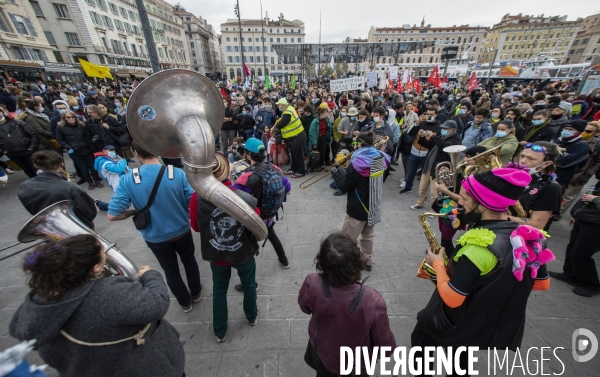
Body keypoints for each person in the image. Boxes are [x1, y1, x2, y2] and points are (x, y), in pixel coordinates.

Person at [412, 167, 551, 375]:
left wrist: (439, 264)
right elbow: (541, 283)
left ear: (484, 204)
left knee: (422, 356)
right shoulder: (529, 236)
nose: (460, 202)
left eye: (466, 198)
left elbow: (453, 299)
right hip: (482, 324)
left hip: (450, 323)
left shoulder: (476, 246)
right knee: (460, 363)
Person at [9, 235, 185, 377]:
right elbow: (157, 303)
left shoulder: (36, 301)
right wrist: (151, 275)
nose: (107, 253)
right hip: (139, 368)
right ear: (94, 268)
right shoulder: (107, 295)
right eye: (103, 251)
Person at [107, 140, 202, 313]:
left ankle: (185, 302)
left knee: (170, 270)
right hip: (182, 231)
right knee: (189, 261)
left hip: (155, 236)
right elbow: (192, 202)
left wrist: (133, 212)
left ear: (136, 153)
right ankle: (196, 292)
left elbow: (112, 214)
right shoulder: (177, 173)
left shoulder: (129, 179)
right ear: (157, 150)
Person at [298, 232, 396, 377]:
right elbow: (386, 346)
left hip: (321, 354)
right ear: (356, 262)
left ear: (322, 262)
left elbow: (305, 307)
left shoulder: (312, 282)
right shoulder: (373, 300)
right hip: (354, 365)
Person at [189, 153, 259, 342]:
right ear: (227, 171)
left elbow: (196, 227)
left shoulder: (197, 198)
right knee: (249, 284)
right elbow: (257, 224)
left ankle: (220, 332)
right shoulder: (244, 197)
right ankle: (251, 317)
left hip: (216, 253)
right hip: (243, 251)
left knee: (219, 290)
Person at [333, 131, 390, 271]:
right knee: (368, 237)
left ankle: (346, 262)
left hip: (357, 208)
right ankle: (367, 261)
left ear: (359, 144)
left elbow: (345, 186)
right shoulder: (380, 159)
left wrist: (336, 172)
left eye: (355, 144)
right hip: (373, 206)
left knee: (347, 239)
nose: (354, 147)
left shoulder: (357, 164)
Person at [234, 138, 291, 272]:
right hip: (269, 216)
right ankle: (284, 260)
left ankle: (250, 282)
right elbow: (288, 189)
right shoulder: (274, 169)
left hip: (253, 219)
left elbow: (235, 199)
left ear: (248, 154)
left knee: (247, 247)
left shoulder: (247, 177)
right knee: (272, 235)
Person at [18, 150, 97, 229]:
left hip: (48, 228)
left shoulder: (24, 186)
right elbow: (90, 212)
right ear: (61, 164)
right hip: (76, 227)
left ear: (35, 165)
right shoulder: (71, 187)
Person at [549, 186, 600, 297]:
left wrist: (595, 199)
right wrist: (578, 214)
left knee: (581, 254)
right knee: (572, 248)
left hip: (595, 225)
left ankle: (591, 284)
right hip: (586, 219)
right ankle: (570, 274)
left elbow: (592, 198)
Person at [507, 141, 562, 231]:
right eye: (522, 156)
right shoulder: (515, 175)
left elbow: (537, 224)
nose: (523, 161)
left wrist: (499, 217)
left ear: (546, 164)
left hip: (519, 236)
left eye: (531, 159)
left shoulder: (551, 188)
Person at [411, 120, 462, 210]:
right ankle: (419, 203)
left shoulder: (455, 139)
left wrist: (433, 136)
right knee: (422, 187)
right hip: (428, 166)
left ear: (452, 129)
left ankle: (434, 209)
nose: (443, 130)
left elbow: (444, 146)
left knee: (434, 192)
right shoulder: (441, 136)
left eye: (445, 128)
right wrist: (422, 137)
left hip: (438, 169)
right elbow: (428, 145)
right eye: (442, 128)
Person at [56, 110, 104, 191]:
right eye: (68, 117)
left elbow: (88, 137)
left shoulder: (81, 125)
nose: (71, 118)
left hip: (87, 149)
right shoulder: (60, 128)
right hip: (75, 152)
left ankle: (97, 180)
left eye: (73, 117)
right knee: (83, 169)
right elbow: (60, 140)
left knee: (93, 167)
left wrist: (91, 147)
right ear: (64, 118)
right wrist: (69, 147)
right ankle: (90, 182)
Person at [561, 122, 600, 214]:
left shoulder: (597, 145)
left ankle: (558, 212)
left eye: (588, 131)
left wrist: (588, 173)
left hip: (580, 174)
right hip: (567, 172)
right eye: (584, 130)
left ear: (595, 132)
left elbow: (598, 162)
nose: (585, 132)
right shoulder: (574, 140)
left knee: (569, 195)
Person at [401, 107, 441, 194]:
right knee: (411, 171)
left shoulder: (439, 127)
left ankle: (422, 194)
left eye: (431, 115)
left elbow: (437, 142)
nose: (429, 116)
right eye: (428, 114)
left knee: (424, 175)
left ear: (436, 115)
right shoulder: (422, 123)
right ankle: (408, 187)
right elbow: (410, 133)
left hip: (426, 154)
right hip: (414, 151)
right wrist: (417, 122)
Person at [0, 103, 40, 178]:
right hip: (12, 153)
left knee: (37, 168)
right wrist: (3, 151)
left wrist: (31, 148)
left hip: (27, 150)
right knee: (27, 170)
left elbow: (34, 135)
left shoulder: (18, 123)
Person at [274, 99, 306, 178]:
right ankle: (294, 169)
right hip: (293, 136)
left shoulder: (287, 112)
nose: (279, 107)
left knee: (298, 155)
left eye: (280, 105)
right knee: (294, 155)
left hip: (296, 136)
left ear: (284, 105)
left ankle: (301, 171)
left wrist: (276, 127)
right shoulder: (289, 109)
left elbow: (283, 122)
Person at [554, 120, 590, 189]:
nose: (566, 131)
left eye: (571, 129)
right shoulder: (559, 140)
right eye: (565, 128)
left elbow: (564, 162)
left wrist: (551, 156)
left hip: (560, 179)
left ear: (579, 131)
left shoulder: (582, 146)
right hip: (546, 173)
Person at [93, 145, 129, 211]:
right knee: (119, 207)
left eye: (114, 150)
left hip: (125, 182)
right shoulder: (103, 162)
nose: (113, 152)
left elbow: (126, 169)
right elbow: (118, 169)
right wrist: (123, 160)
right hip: (119, 186)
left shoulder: (111, 159)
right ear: (104, 151)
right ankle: (100, 204)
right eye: (110, 150)